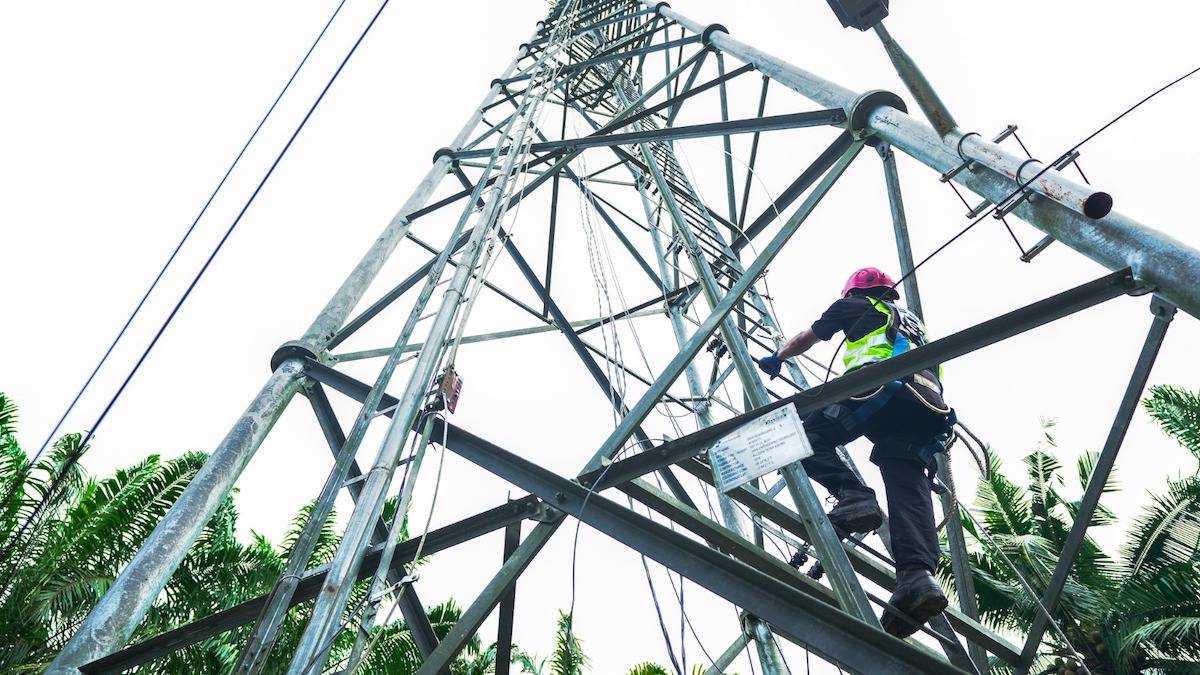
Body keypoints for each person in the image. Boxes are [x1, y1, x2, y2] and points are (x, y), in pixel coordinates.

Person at [757, 266, 953, 638]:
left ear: (853, 292)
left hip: (881, 386)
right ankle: (917, 579)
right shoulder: (914, 325)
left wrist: (778, 356)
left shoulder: (856, 305)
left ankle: (854, 497)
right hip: (927, 408)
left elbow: (806, 338)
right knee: (908, 486)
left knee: (800, 434)